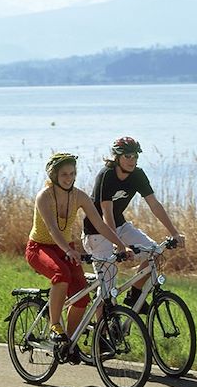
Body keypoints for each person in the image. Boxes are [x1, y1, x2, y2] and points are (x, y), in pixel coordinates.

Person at [25, 153, 134, 362]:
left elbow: (100, 225)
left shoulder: (79, 196)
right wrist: (68, 250)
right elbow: (52, 228)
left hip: (66, 248)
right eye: (64, 174)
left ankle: (69, 341)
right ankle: (55, 326)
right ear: (54, 175)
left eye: (72, 173)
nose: (69, 178)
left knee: (83, 297)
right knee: (61, 274)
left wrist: (121, 246)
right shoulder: (44, 196)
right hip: (39, 248)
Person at [81, 137, 185, 313]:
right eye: (127, 156)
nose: (132, 160)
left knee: (155, 252)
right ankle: (103, 338)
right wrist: (118, 245)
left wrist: (174, 233)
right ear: (117, 157)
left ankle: (134, 294)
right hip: (97, 233)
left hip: (119, 225)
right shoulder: (106, 175)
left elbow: (154, 204)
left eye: (135, 156)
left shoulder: (138, 174)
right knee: (107, 290)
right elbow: (106, 212)